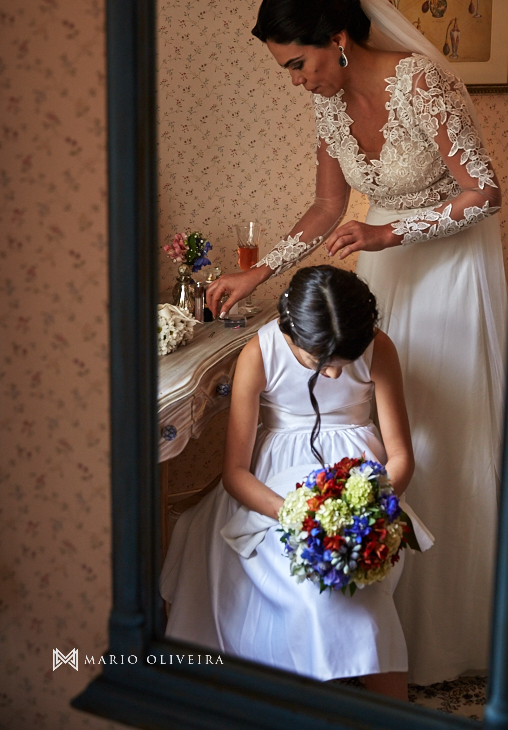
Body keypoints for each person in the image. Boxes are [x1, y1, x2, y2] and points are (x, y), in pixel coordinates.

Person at [206, 0, 508, 685]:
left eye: (298, 64)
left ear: (336, 41)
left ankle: (454, 631)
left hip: (448, 267)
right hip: (382, 273)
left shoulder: (420, 83)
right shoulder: (332, 107)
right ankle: (380, 623)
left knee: (450, 434)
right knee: (384, 432)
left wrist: (387, 230)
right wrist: (263, 275)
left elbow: (485, 192)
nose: (296, 81)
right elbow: (326, 206)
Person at [162, 265, 430, 700]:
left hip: (360, 481)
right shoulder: (261, 352)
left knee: (361, 585)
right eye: (321, 364)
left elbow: (401, 456)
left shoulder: (379, 347)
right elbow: (234, 473)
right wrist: (297, 513)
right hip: (275, 491)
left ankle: (388, 700)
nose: (334, 377)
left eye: (345, 364)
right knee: (308, 589)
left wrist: (373, 501)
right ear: (292, 333)